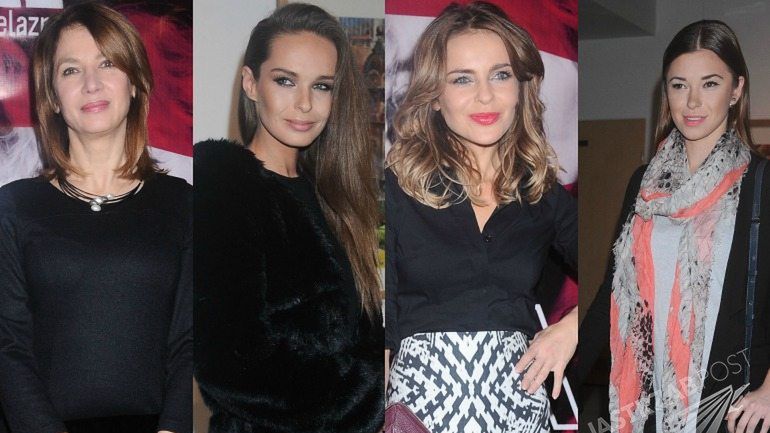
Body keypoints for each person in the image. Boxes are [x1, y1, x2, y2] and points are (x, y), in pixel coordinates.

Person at [384, 2, 577, 432]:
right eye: (462, 78)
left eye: (500, 75)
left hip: (520, 411)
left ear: (521, 87)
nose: (485, 95)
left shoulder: (542, 194)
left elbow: (625, 273)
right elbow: (378, 321)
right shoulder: (394, 190)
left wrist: (572, 328)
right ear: (435, 96)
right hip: (420, 412)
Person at [0, 3, 192, 433]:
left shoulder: (184, 204)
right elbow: (8, 345)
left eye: (107, 63)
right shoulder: (12, 208)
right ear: (52, 96)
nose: (91, 84)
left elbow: (190, 339)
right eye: (71, 70)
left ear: (135, 81)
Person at [193, 4, 383, 433]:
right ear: (251, 83)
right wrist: (371, 393)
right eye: (285, 80)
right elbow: (229, 361)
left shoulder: (332, 194)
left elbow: (360, 334)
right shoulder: (220, 184)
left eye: (322, 86)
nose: (305, 104)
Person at [579, 20, 770, 433]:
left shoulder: (761, 182)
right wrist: (562, 375)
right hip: (647, 400)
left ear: (736, 89)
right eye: (679, 85)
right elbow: (612, 293)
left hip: (729, 400)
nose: (693, 102)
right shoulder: (643, 183)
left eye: (710, 84)